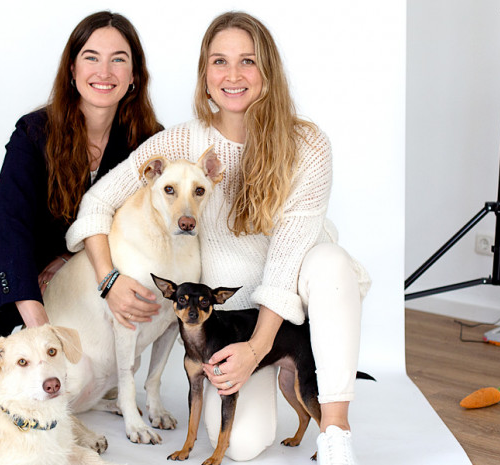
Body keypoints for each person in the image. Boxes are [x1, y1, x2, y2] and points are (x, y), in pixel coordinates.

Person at [64, 11, 370, 465]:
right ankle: (276, 384)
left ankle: (336, 432)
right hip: (230, 320)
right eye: (219, 62)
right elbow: (96, 203)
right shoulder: (182, 144)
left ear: (268, 71)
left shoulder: (309, 145)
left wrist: (258, 348)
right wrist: (109, 279)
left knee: (329, 263)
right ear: (205, 76)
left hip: (294, 302)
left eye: (247, 61)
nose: (232, 75)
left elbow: (286, 261)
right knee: (242, 447)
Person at [0, 11, 161, 355]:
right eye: (91, 58)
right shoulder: (34, 132)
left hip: (78, 273)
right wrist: (40, 329)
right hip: (1, 271)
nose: (104, 72)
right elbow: (9, 225)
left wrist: (67, 258)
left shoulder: (148, 141)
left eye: (118, 60)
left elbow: (133, 225)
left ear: (134, 74)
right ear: (72, 70)